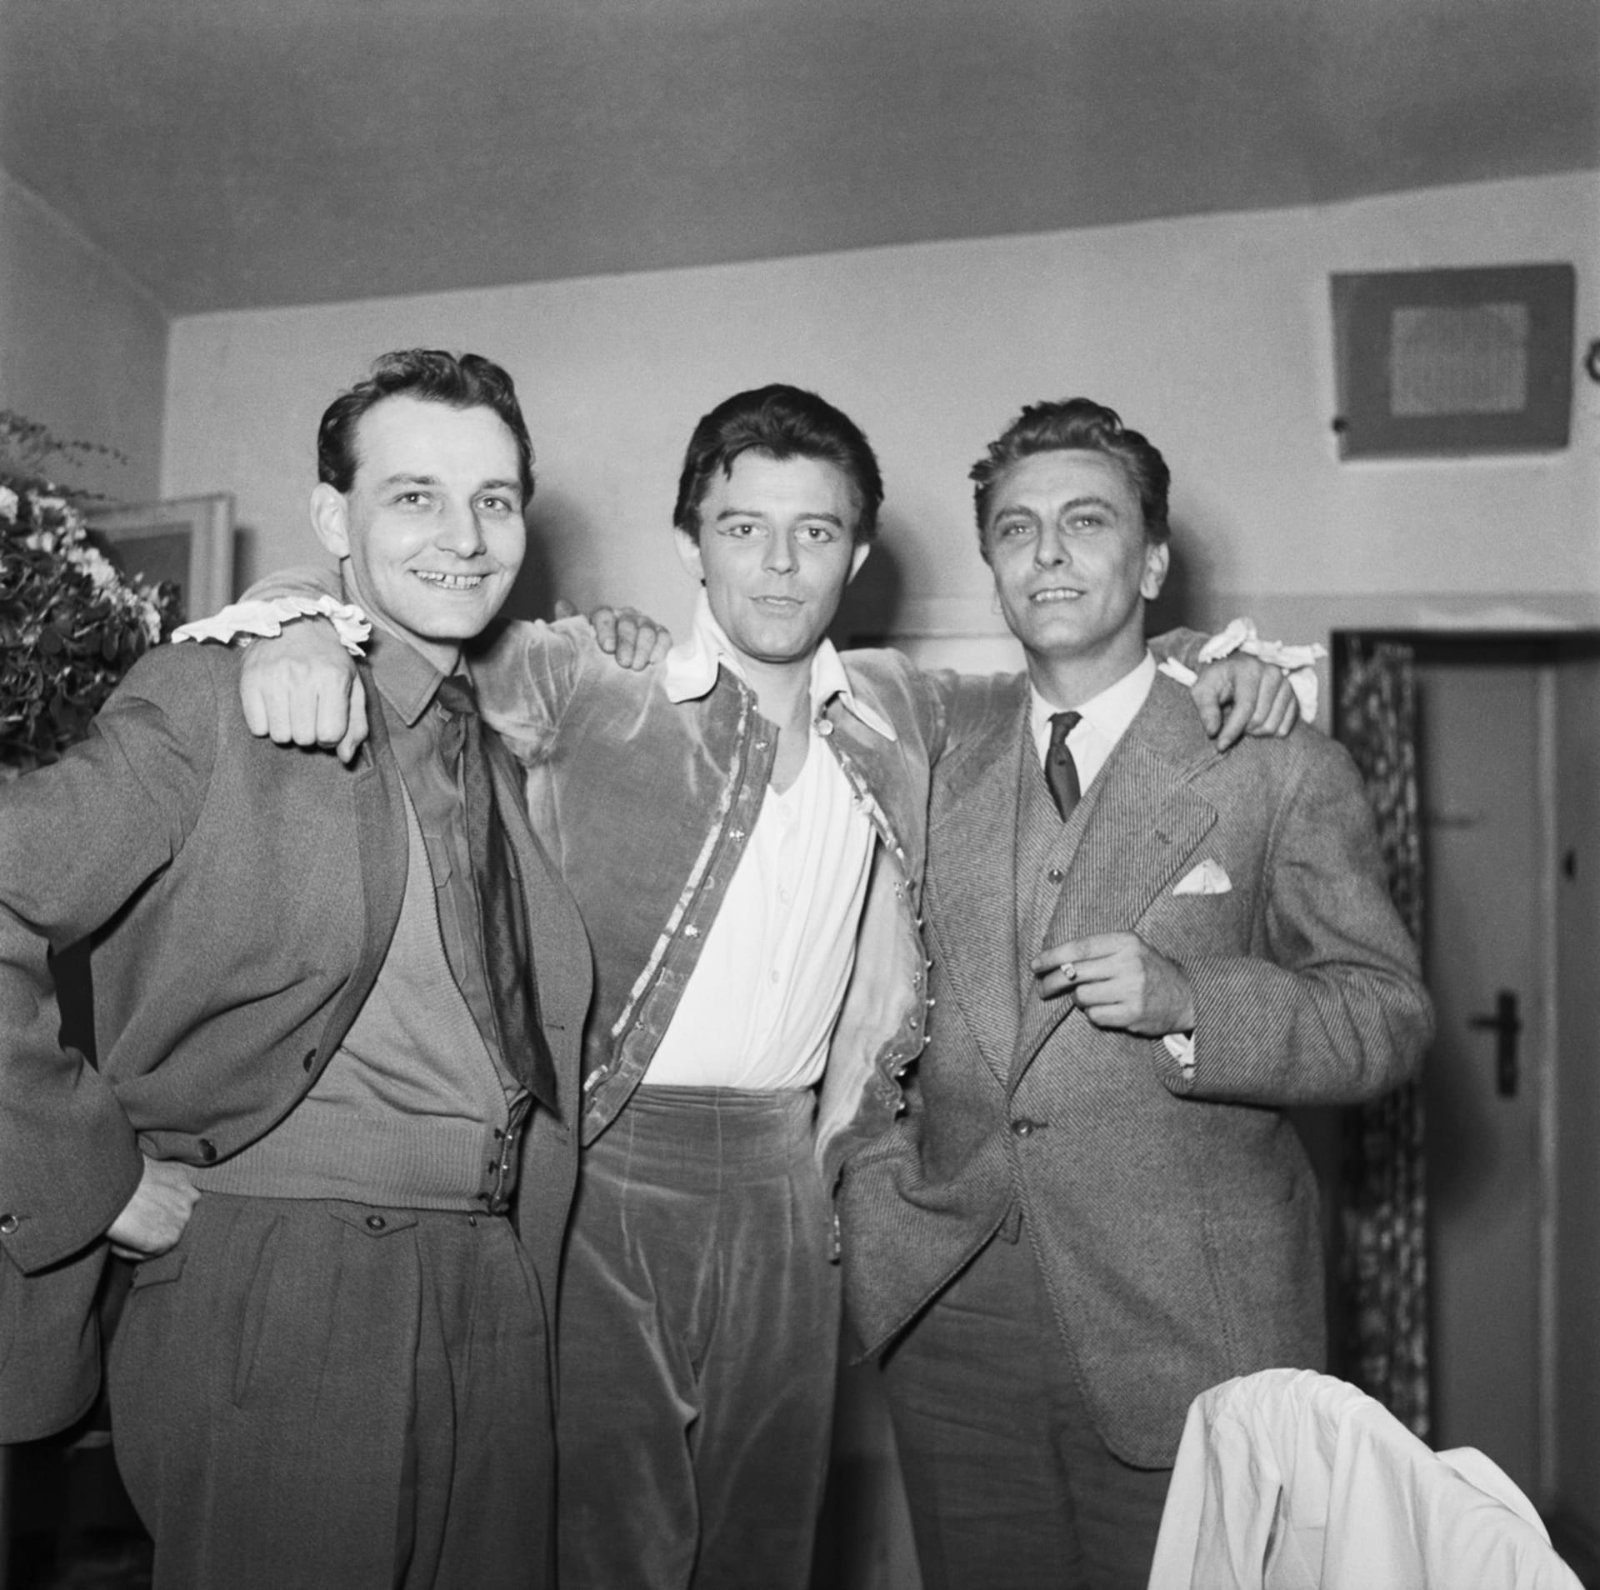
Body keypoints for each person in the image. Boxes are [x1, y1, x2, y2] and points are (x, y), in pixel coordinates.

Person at [224, 384, 1296, 1590]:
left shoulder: (907, 707)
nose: (779, 565)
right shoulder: (587, 675)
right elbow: (401, 620)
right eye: (743, 528)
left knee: (765, 1547)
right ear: (690, 544)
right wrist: (291, 617)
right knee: (605, 1547)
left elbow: (1091, 670)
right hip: (605, 1177)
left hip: (794, 1187)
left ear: (857, 554)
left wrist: (1219, 656)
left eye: (815, 531)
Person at [0, 349, 592, 1590]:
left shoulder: (484, 741)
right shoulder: (224, 693)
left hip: (492, 1283)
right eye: (414, 495)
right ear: (334, 519)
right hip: (290, 1290)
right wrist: (92, 1177)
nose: (464, 536)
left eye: (493, 499)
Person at [838, 398, 1435, 1590]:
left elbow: (1385, 1015)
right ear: (992, 567)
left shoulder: (1276, 763)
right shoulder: (934, 750)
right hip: (952, 1313)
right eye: (1016, 529)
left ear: (1153, 560)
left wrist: (1191, 1000)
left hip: (1189, 1322)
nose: (1048, 553)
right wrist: (871, 1184)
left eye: (1086, 521)